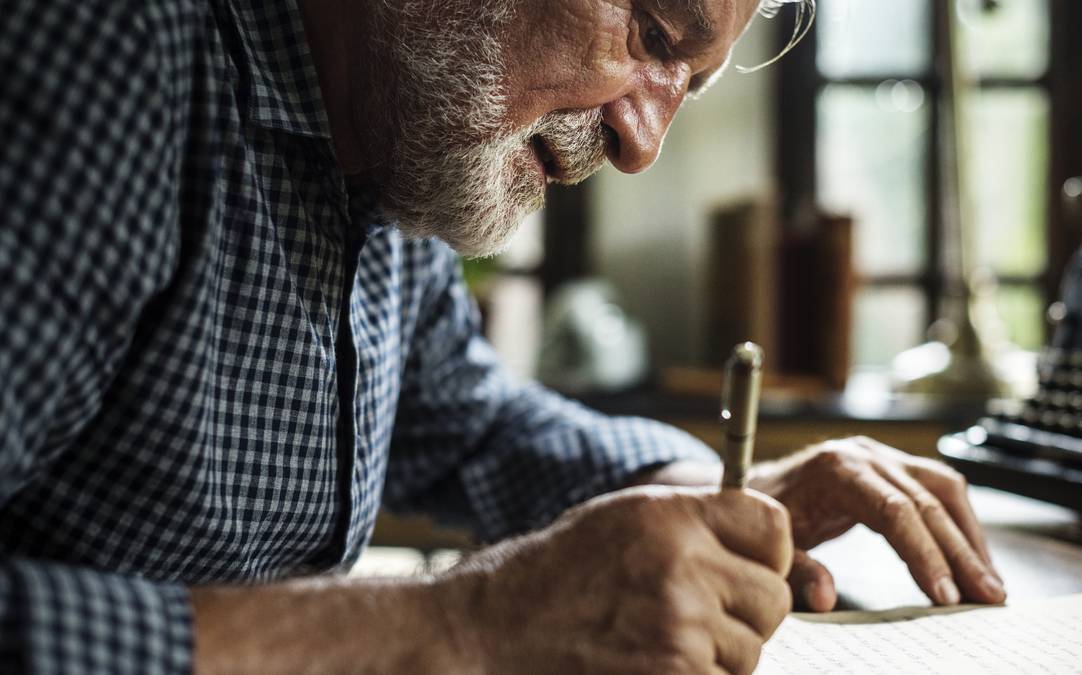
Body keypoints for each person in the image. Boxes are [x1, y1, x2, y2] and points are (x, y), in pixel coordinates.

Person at [0, 0, 1006, 672]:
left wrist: (721, 495)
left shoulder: (398, 150)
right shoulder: (104, 56)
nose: (643, 144)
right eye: (653, 31)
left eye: (686, 87)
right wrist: (462, 630)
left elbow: (471, 425)